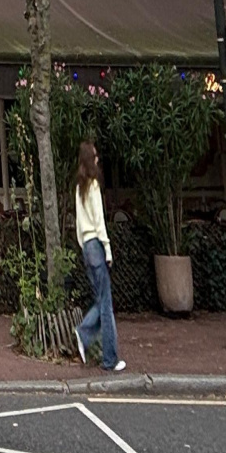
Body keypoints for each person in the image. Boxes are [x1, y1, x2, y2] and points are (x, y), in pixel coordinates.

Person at [73, 140, 124, 373]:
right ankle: (109, 357)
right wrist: (107, 248)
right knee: (106, 304)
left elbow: (79, 223)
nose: (97, 159)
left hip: (86, 245)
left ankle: (85, 334)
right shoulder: (93, 186)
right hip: (96, 243)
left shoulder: (79, 188)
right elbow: (99, 221)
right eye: (94, 156)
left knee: (101, 299)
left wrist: (83, 243)